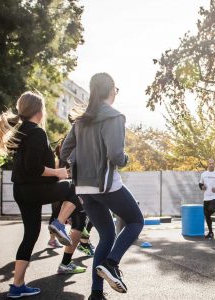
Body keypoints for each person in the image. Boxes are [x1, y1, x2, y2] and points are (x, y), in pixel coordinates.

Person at [0, 91, 83, 298]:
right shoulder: (36, 132)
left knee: (30, 235)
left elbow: (30, 165)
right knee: (76, 188)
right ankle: (58, 223)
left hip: (22, 190)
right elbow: (33, 168)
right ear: (39, 111)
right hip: (33, 189)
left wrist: (54, 170)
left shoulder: (22, 131)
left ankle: (17, 285)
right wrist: (57, 172)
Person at [61, 72, 144, 300]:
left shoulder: (81, 120)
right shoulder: (114, 116)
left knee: (106, 235)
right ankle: (111, 262)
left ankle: (96, 294)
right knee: (136, 220)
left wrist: (76, 169)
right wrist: (126, 160)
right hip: (106, 186)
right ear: (110, 91)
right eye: (116, 90)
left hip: (83, 189)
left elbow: (64, 151)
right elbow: (116, 156)